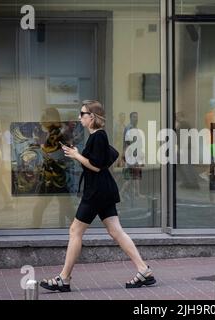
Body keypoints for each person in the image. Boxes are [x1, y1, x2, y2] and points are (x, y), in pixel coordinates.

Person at [40, 100, 156, 292]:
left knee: (75, 230)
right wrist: (78, 153)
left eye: (82, 114)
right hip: (102, 190)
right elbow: (104, 158)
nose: (79, 117)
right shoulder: (97, 136)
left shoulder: (98, 136)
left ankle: (64, 278)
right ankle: (144, 270)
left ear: (91, 117)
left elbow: (96, 165)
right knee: (116, 231)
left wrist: (77, 156)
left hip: (96, 192)